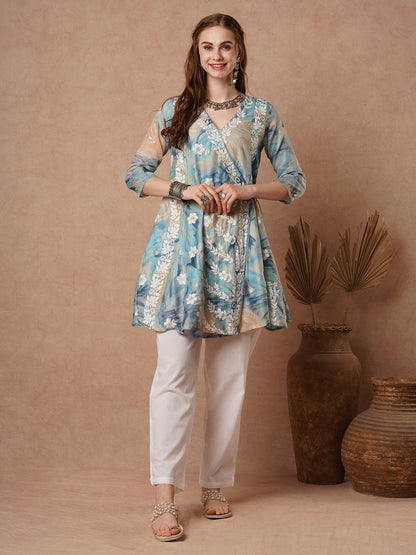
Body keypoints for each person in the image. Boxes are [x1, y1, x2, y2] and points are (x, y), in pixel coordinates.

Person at [125, 13, 306, 542]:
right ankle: (164, 500)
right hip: (181, 255)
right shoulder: (174, 110)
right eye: (208, 47)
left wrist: (247, 190)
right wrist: (182, 189)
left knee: (229, 381)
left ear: (239, 52)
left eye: (226, 46)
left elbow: (293, 181)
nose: (217, 56)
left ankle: (215, 486)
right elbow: (135, 174)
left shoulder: (261, 114)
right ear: (197, 53)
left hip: (239, 256)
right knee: (173, 376)